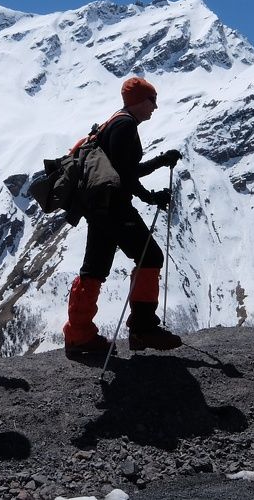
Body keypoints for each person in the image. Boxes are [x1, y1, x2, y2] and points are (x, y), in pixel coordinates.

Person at [63, 76, 182, 358]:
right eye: (152, 100)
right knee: (149, 257)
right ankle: (142, 327)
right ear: (140, 101)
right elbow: (124, 175)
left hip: (99, 208)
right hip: (115, 207)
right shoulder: (126, 125)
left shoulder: (114, 122)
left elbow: (124, 168)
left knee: (94, 269)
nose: (155, 106)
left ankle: (78, 336)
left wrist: (159, 161)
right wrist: (150, 196)